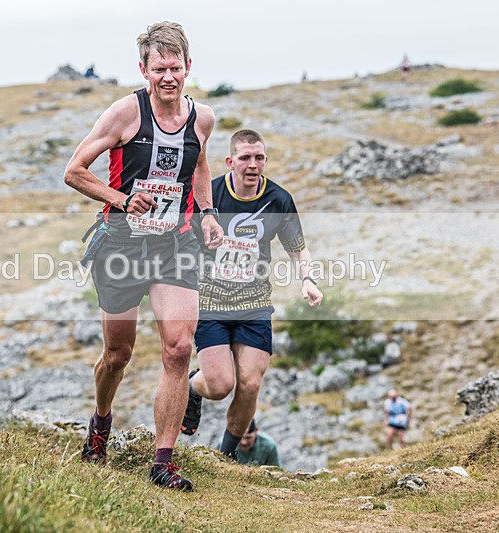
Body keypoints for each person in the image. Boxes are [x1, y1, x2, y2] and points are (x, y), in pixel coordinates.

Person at [64, 21, 223, 492]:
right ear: (144, 70)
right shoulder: (124, 114)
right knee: (118, 354)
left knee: (178, 348)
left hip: (175, 244)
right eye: (159, 69)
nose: (168, 77)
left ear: (188, 67)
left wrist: (208, 214)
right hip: (121, 246)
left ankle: (163, 462)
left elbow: (197, 163)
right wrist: (119, 198)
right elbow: (74, 172)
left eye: (175, 67)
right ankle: (101, 423)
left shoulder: (203, 119)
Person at [180, 129, 323, 460]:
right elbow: (180, 239)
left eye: (259, 158)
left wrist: (308, 280)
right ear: (230, 161)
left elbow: (298, 249)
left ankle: (226, 456)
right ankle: (192, 387)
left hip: (255, 304)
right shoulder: (208, 195)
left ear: (265, 161)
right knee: (219, 385)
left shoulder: (278, 200)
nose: (252, 164)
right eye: (245, 158)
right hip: (211, 302)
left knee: (250, 384)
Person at [216, 418, 281, 466]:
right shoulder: (222, 444)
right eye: (240, 438)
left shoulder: (269, 446)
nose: (244, 442)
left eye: (248, 438)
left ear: (256, 430)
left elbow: (276, 470)